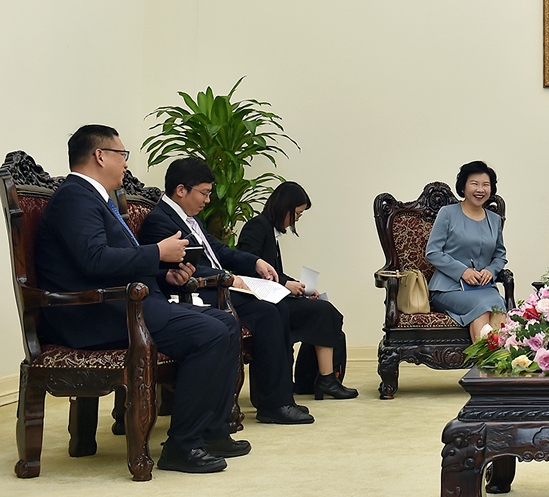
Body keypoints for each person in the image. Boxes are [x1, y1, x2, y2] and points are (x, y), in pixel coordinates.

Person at [35, 125, 246, 473]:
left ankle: (209, 430)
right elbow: (94, 259)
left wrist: (165, 274)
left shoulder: (94, 198)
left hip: (122, 305)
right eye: (123, 156)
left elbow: (110, 262)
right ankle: (182, 446)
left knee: (224, 322)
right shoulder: (75, 197)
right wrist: (158, 253)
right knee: (210, 332)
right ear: (100, 156)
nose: (127, 165)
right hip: (92, 315)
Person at [138, 158, 316, 424]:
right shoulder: (160, 221)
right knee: (266, 312)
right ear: (181, 190)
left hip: (217, 284)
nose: (208, 200)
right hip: (196, 292)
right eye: (205, 193)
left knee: (278, 305)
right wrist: (228, 279)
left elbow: (217, 250)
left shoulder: (189, 218)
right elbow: (186, 270)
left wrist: (253, 262)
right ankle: (272, 403)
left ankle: (280, 397)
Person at [237, 181, 357, 400]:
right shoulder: (257, 227)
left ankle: (320, 379)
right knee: (324, 312)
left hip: (272, 298)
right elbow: (247, 268)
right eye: (298, 214)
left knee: (322, 308)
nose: (298, 219)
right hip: (260, 303)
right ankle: (326, 379)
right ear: (285, 208)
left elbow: (273, 274)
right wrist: (285, 285)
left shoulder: (268, 230)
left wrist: (298, 288)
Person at [425, 161, 508, 341]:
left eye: (486, 185)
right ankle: (487, 365)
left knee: (498, 306)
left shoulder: (494, 220)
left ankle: (493, 365)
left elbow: (500, 255)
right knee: (483, 306)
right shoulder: (447, 213)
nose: (480, 189)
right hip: (448, 289)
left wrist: (490, 270)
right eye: (474, 184)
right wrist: (463, 272)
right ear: (463, 187)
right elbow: (432, 252)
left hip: (484, 288)